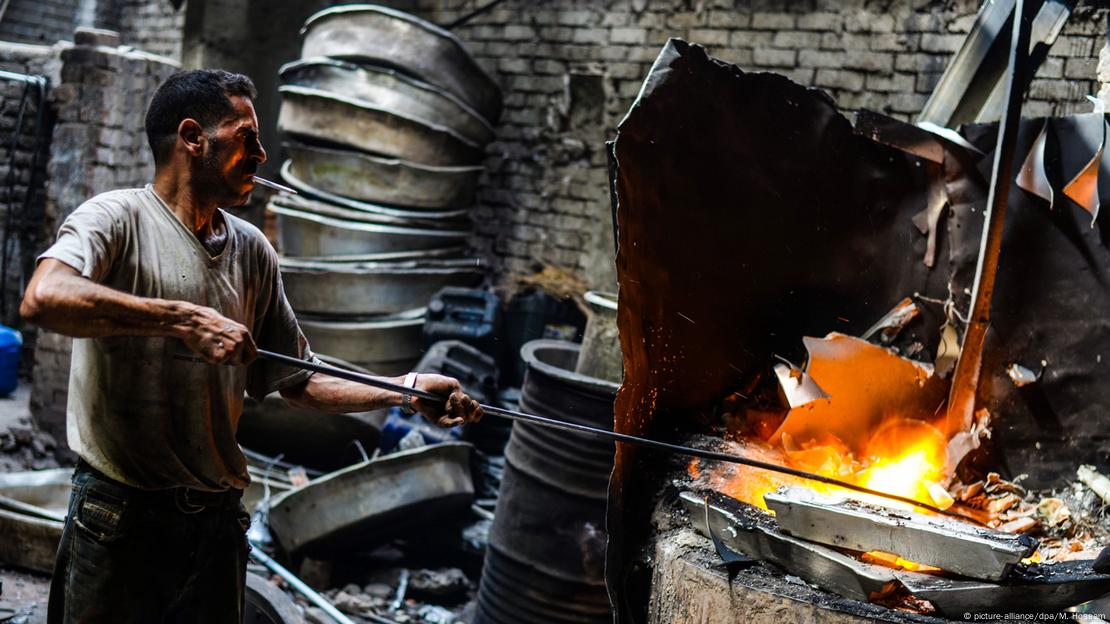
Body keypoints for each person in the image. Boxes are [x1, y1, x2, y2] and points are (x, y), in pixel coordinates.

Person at [20, 69, 483, 623]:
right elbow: (44, 297)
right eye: (247, 137)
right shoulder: (117, 218)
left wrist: (404, 391)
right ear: (193, 138)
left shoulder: (252, 249)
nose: (262, 155)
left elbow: (300, 379)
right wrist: (183, 319)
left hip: (216, 522)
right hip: (121, 514)